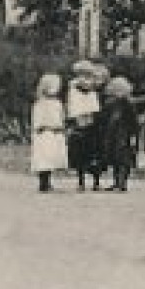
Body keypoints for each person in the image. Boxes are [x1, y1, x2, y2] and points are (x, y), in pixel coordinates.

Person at [65, 60, 104, 191]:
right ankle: (83, 181)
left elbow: (94, 105)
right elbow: (74, 106)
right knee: (82, 154)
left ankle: (94, 181)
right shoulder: (75, 88)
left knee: (92, 153)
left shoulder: (91, 89)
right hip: (82, 122)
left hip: (90, 123)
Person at [98, 76, 141, 192]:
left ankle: (122, 182)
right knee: (114, 158)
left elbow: (134, 122)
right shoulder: (110, 104)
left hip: (124, 134)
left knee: (124, 159)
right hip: (112, 134)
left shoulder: (128, 104)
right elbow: (104, 119)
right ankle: (116, 182)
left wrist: (133, 136)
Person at [30, 74, 69, 193]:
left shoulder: (57, 103)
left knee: (51, 157)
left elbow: (61, 118)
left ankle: (48, 180)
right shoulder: (40, 104)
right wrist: (40, 127)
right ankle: (43, 182)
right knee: (44, 158)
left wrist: (60, 127)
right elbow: (36, 120)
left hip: (54, 133)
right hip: (44, 134)